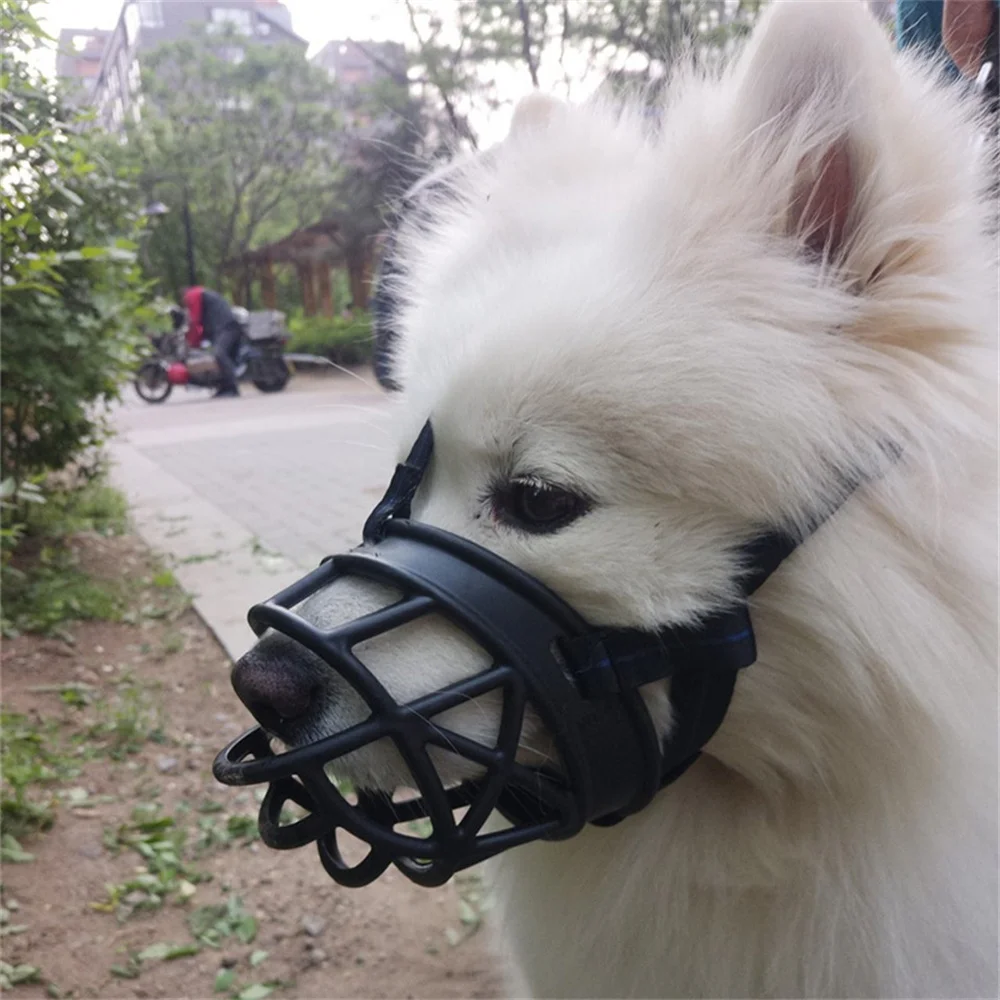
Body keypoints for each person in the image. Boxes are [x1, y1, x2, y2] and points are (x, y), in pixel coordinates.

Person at [182, 286, 243, 398]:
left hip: (226, 327)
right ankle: (223, 387)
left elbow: (195, 320)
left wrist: (191, 341)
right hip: (224, 328)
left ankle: (233, 388)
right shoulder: (203, 294)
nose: (186, 303)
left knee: (219, 354)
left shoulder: (194, 295)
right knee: (218, 356)